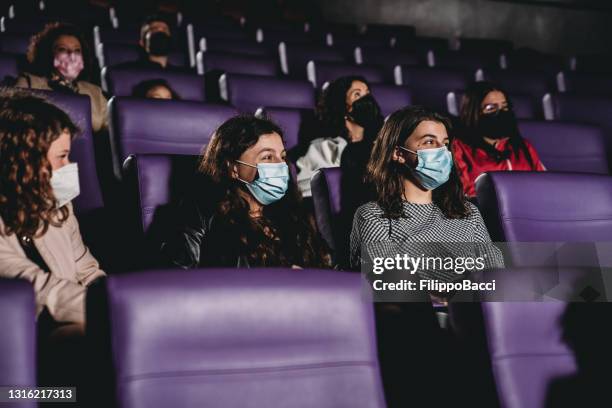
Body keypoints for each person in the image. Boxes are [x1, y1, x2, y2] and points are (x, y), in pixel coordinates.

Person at [161, 115, 332, 269]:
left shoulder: (295, 214)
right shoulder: (200, 212)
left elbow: (328, 269)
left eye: (282, 156)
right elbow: (177, 278)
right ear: (233, 168)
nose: (281, 166)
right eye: (267, 157)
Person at [350, 106, 503, 273]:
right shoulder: (373, 216)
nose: (442, 151)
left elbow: (496, 276)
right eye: (429, 142)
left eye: (445, 143)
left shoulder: (468, 212)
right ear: (398, 153)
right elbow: (388, 284)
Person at [0, 89, 105, 333]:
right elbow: (38, 288)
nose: (69, 166)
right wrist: (116, 310)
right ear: (25, 161)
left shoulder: (59, 206)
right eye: (62, 157)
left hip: (73, 320)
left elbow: (87, 270)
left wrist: (111, 294)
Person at [452, 81, 546, 198]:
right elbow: (463, 196)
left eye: (504, 107)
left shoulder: (523, 147)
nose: (501, 112)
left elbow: (544, 186)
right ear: (474, 112)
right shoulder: (458, 148)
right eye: (491, 108)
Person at [296, 75, 384, 199]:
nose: (367, 100)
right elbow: (308, 189)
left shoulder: (381, 145)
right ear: (343, 106)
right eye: (357, 95)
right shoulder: (325, 147)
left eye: (367, 94)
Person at [16, 22, 109, 133]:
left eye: (77, 50)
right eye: (62, 49)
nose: (71, 55)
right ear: (48, 54)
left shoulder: (95, 92)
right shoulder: (29, 82)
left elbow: (111, 129)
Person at [115, 14, 180, 70]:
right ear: (142, 42)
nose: (160, 32)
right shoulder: (126, 71)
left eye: (165, 30)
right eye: (154, 29)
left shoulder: (180, 74)